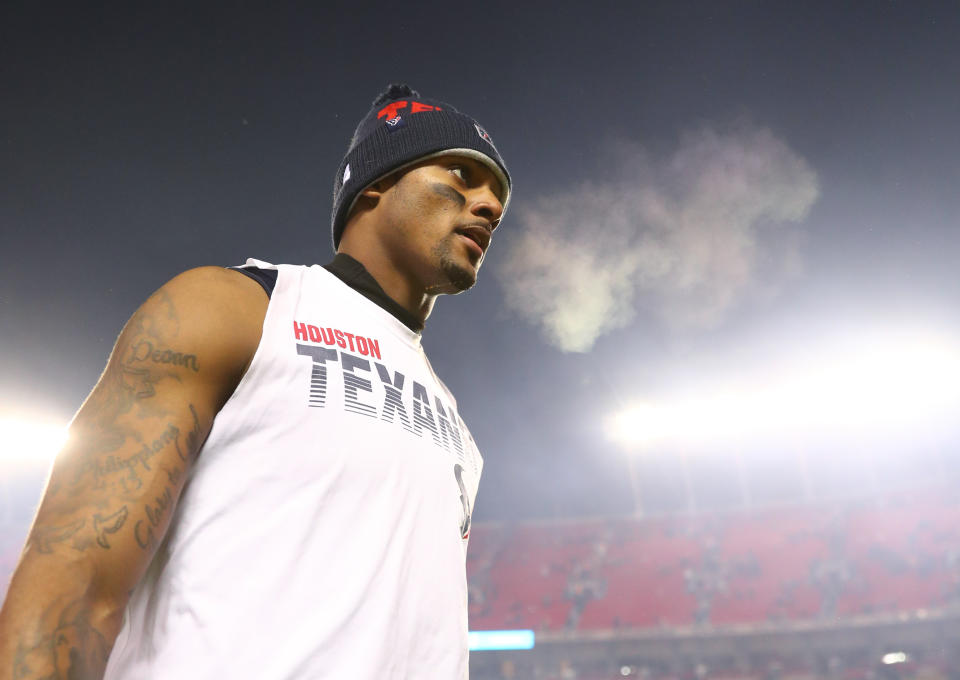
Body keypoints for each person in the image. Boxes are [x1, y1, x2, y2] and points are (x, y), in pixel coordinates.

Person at [0, 83, 511, 680]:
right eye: (460, 174)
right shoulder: (236, 309)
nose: (489, 206)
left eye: (498, 196)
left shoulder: (456, 425)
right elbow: (75, 580)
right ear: (375, 182)